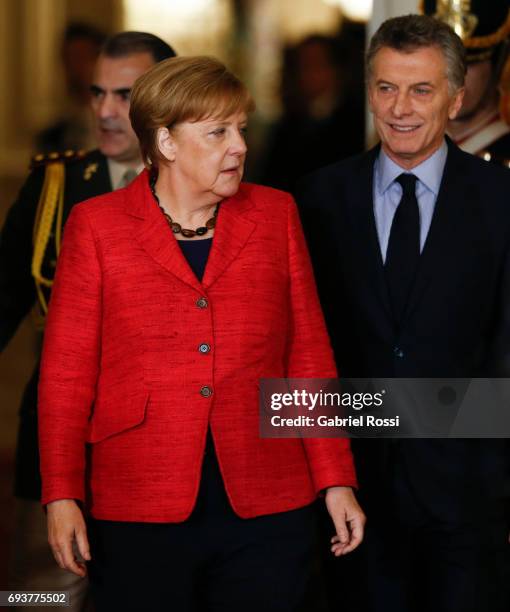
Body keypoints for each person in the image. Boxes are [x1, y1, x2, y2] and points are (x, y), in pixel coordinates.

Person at [37, 55, 365, 612]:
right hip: (139, 498)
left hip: (267, 498)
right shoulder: (97, 226)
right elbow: (67, 374)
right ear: (164, 141)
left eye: (240, 127)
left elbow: (308, 354)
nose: (239, 145)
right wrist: (61, 494)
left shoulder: (276, 215)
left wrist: (336, 479)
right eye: (218, 132)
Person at [296, 14, 510, 612]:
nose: (401, 108)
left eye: (421, 89)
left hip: (469, 500)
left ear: (456, 96)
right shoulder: (315, 198)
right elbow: (301, 348)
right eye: (386, 88)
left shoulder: (501, 202)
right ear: (368, 92)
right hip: (348, 497)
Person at [1, 31, 175, 610]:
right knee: (40, 597)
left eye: (124, 95)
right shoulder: (57, 185)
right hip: (58, 440)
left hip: (161, 449)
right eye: (97, 92)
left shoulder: (204, 186)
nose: (104, 110)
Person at [422, 0, 510, 164]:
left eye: (468, 63)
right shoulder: (403, 150)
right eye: (441, 62)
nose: (453, 76)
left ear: (499, 62)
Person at [35, 22, 107, 154]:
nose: (76, 69)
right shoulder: (52, 138)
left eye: (83, 58)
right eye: (68, 60)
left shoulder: (130, 127)